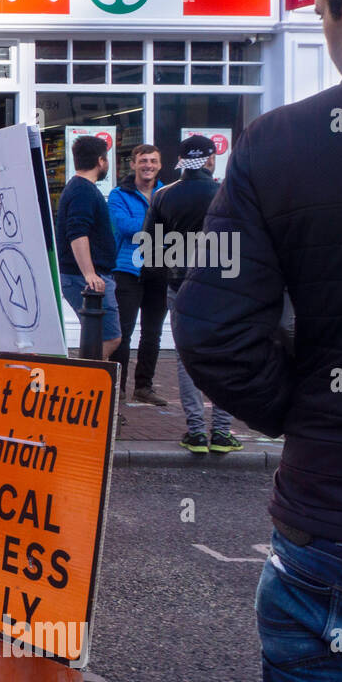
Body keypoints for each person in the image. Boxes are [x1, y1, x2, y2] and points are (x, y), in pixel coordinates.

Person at [172, 0, 342, 682]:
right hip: (330, 516)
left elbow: (214, 334)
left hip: (331, 528)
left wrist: (307, 409)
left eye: (321, 12)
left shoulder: (284, 143)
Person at [143, 135, 242, 455]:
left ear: (181, 162)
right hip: (222, 285)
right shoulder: (228, 194)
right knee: (223, 355)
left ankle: (196, 431)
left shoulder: (163, 196)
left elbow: (151, 250)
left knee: (187, 357)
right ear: (211, 160)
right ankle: (223, 432)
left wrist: (168, 278)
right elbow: (245, 242)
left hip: (180, 285)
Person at [108, 143, 168, 404]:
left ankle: (144, 386)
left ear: (160, 165)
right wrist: (159, 226)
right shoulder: (119, 194)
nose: (148, 166)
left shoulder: (167, 193)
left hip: (161, 267)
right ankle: (117, 388)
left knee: (153, 332)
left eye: (153, 161)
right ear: (132, 164)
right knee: (123, 331)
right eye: (143, 161)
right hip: (127, 269)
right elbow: (124, 226)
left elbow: (177, 227)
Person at [56, 135, 121, 360]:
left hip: (82, 275)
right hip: (84, 277)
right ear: (101, 161)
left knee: (97, 336)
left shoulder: (78, 188)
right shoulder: (83, 190)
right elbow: (77, 232)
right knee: (107, 338)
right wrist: (89, 273)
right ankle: (85, 385)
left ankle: (88, 384)